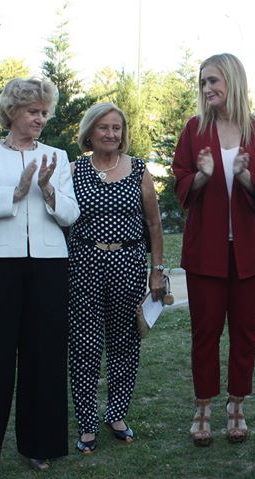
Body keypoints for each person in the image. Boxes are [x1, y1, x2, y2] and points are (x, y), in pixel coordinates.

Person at [0, 77, 80, 475]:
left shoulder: (57, 156)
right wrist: (15, 190)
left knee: (43, 357)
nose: (40, 119)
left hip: (48, 264)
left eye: (44, 112)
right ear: (12, 112)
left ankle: (38, 445)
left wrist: (46, 189)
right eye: (33, 111)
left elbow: (70, 214)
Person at [172, 53, 255, 446]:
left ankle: (237, 405)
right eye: (203, 83)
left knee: (245, 333)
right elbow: (180, 183)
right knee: (205, 332)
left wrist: (247, 177)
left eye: (213, 81)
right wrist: (202, 176)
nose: (207, 89)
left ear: (232, 81)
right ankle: (203, 406)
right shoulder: (194, 130)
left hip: (252, 251)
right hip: (206, 250)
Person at [68, 102, 165, 454]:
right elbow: (62, 217)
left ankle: (117, 414)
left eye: (117, 128)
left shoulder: (138, 169)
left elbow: (154, 223)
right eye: (104, 127)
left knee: (125, 342)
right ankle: (88, 422)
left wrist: (157, 269)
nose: (111, 134)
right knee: (85, 345)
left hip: (128, 263)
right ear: (90, 132)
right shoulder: (74, 169)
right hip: (84, 263)